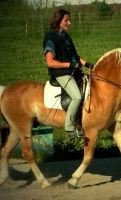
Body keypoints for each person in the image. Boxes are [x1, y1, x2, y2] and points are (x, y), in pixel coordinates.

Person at [43, 9, 93, 140]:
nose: (69, 23)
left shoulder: (66, 36)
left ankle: (83, 122)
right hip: (61, 74)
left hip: (73, 71)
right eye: (66, 20)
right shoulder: (50, 38)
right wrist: (69, 65)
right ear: (58, 21)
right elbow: (50, 62)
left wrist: (87, 64)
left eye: (69, 20)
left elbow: (75, 56)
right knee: (76, 96)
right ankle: (69, 128)